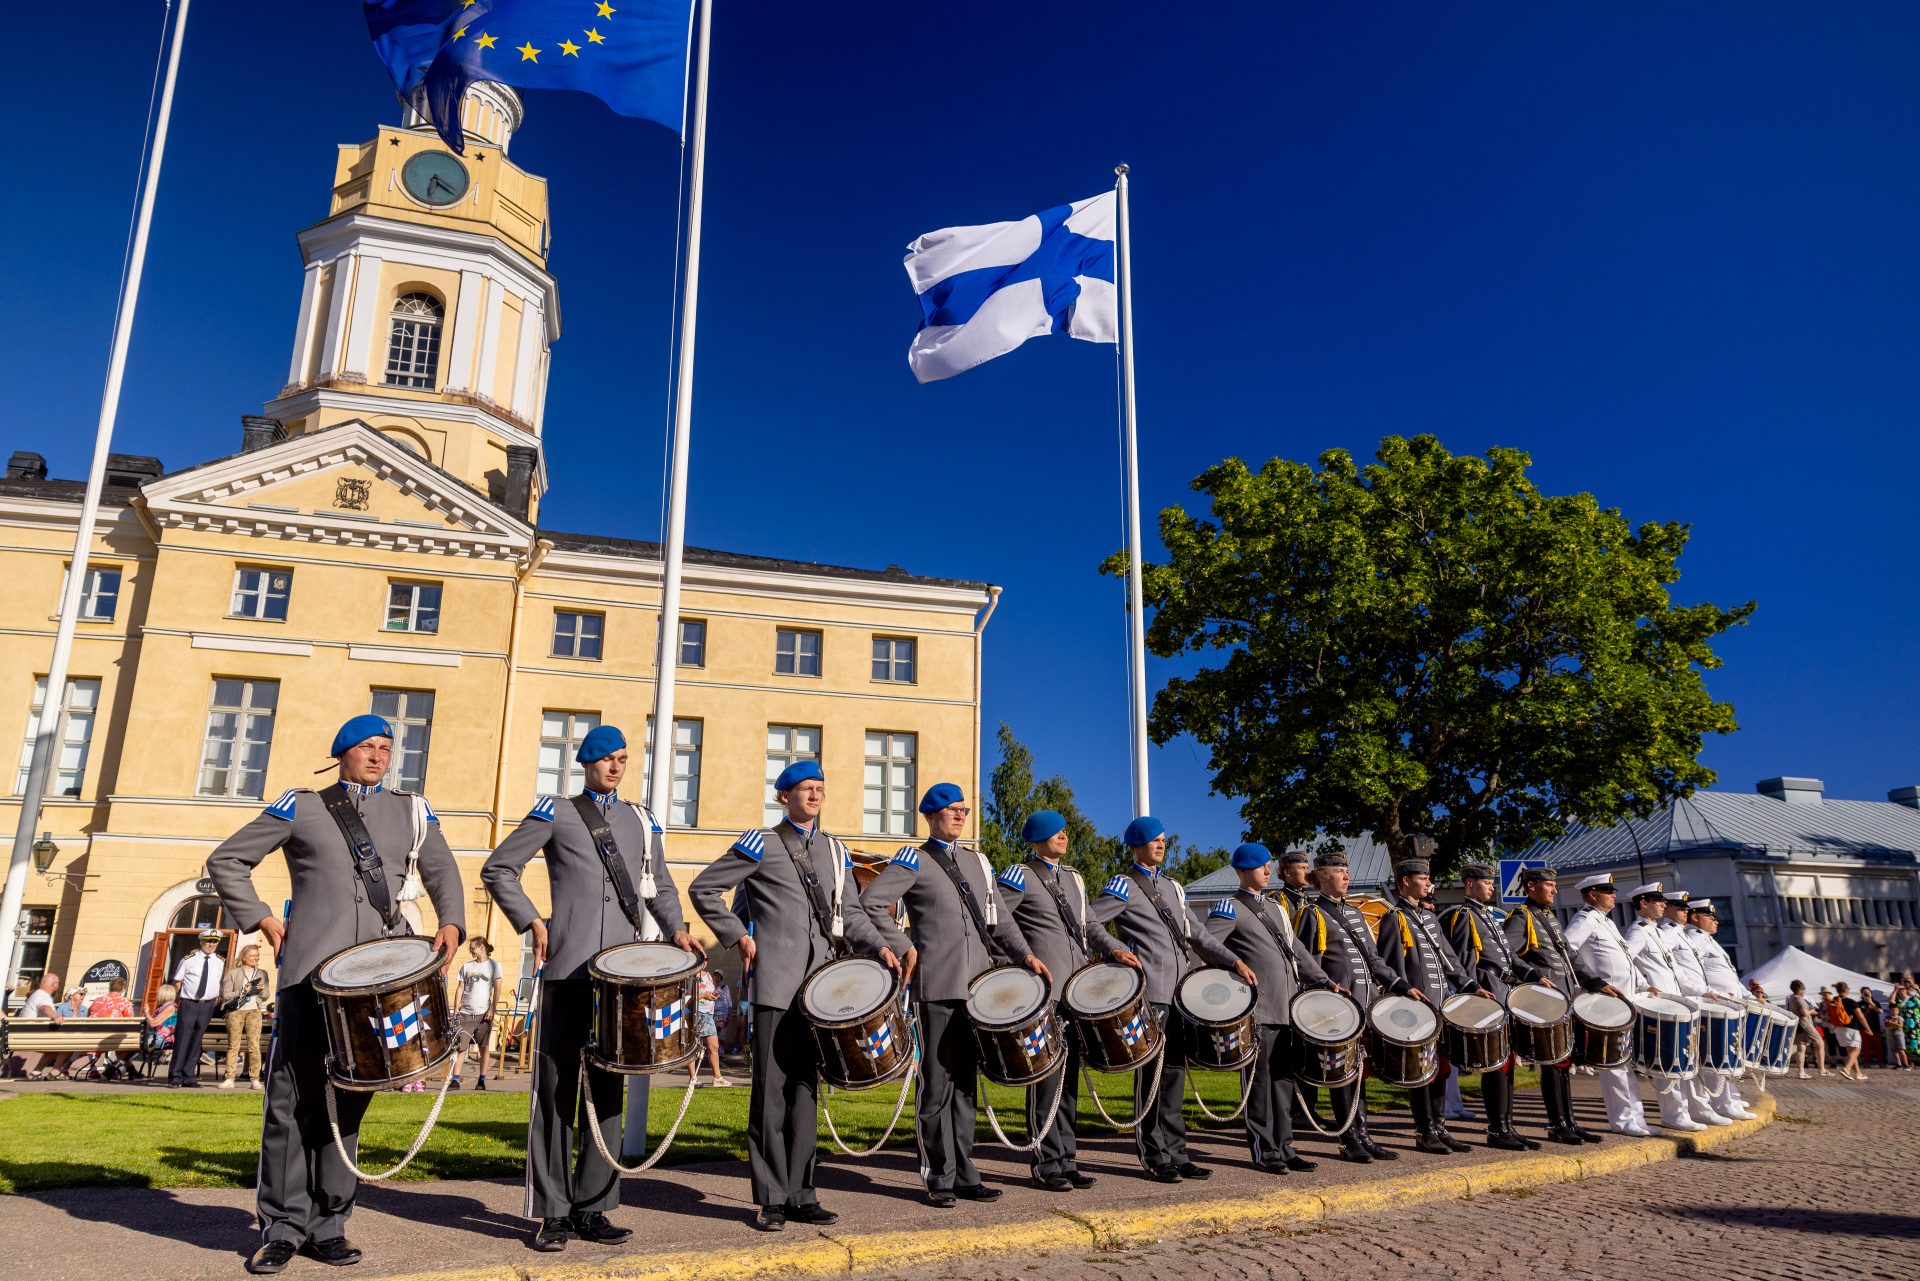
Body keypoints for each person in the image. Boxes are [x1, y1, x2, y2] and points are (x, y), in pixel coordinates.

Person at [209, 712, 465, 1275]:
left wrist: (451, 920)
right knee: (291, 1100)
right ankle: (281, 1225)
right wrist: (262, 920)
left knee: (350, 1101)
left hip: (376, 982)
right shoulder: (301, 804)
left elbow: (442, 868)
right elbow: (227, 860)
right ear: (342, 752)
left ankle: (329, 1224)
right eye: (366, 747)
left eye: (386, 748)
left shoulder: (412, 810)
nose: (378, 756)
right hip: (307, 974)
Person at [483, 724, 698, 1252]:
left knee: (608, 1089)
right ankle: (552, 1212)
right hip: (566, 969)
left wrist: (677, 927)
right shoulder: (554, 811)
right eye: (607, 759)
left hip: (619, 978)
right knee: (555, 1092)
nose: (617, 767)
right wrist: (533, 922)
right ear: (586, 763)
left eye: (623, 759)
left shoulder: (641, 820)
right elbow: (499, 868)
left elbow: (660, 885)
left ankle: (594, 1207)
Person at [690, 759, 900, 1229]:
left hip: (820, 993)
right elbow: (705, 889)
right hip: (775, 988)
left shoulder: (834, 850)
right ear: (784, 796)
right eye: (805, 788)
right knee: (771, 1095)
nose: (814, 795)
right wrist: (738, 936)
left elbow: (851, 913)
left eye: (820, 788)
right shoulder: (760, 843)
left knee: (807, 1093)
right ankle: (771, 1198)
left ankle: (804, 1193)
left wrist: (882, 946)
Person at [861, 783, 1045, 1206]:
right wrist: (904, 945)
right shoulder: (915, 859)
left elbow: (999, 922)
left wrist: (1026, 955)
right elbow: (871, 903)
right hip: (937, 987)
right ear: (931, 815)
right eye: (952, 810)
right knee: (937, 1084)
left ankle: (965, 1172)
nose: (961, 816)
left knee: (966, 1085)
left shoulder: (978, 861)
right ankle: (937, 1176)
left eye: (964, 809)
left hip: (977, 990)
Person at [1089, 815, 1255, 1183]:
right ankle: (1153, 1154)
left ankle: (1178, 1152)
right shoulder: (1124, 884)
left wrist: (1234, 960)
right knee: (1152, 1077)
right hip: (1151, 996)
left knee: (1176, 1075)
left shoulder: (1175, 888)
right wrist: (1115, 949)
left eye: (1164, 840)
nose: (1161, 845)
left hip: (1181, 995)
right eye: (1154, 840)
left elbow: (1199, 936)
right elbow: (1091, 922)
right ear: (1136, 846)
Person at [995, 809, 1140, 1190]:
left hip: (1075, 995)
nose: (1063, 836)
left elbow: (1089, 925)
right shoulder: (1019, 876)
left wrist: (1113, 949)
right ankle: (1045, 1163)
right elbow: (995, 921)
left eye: (1064, 831)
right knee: (1044, 1079)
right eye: (1056, 831)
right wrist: (1022, 958)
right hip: (1044, 995)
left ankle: (1067, 1158)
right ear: (1038, 836)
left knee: (1068, 1080)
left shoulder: (1074, 878)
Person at [1203, 842, 1329, 1174]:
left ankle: (1285, 1147)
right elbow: (1207, 943)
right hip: (1257, 1011)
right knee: (1259, 1084)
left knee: (1283, 1082)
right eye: (1260, 865)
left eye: (1268, 865)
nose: (1267, 870)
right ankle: (1264, 1149)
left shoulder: (1276, 908)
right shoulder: (1229, 906)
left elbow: (1296, 950)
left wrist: (1324, 980)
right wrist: (1235, 964)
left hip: (1286, 1008)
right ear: (1243, 871)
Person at [1295, 850, 1414, 1162]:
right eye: (1339, 871)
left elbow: (1374, 961)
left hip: (1365, 1006)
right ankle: (1349, 1139)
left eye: (1347, 872)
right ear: (1321, 876)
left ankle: (1364, 1134)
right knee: (1342, 1075)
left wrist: (1401, 985)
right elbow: (1307, 965)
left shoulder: (1357, 914)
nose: (1346, 877)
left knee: (1360, 1073)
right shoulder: (1312, 914)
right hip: (1336, 1009)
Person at [1376, 851, 1491, 1155]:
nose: (1428, 882)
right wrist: (1403, 999)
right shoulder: (1394, 918)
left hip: (1443, 1006)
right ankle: (1424, 1131)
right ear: (1405, 881)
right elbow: (1392, 966)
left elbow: (1450, 961)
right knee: (1421, 1071)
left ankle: (1440, 1127)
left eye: (1428, 877)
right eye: (1423, 877)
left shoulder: (1428, 917)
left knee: (1441, 1068)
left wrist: (1471, 986)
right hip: (1417, 1010)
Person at [1442, 863, 1550, 1150]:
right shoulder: (1464, 916)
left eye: (1492, 882)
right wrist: (1474, 992)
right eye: (1486, 882)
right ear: (1469, 883)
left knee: (1506, 1064)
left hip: (1505, 994)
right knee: (1494, 1064)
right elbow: (1464, 962)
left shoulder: (1488, 917)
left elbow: (1510, 958)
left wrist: (1534, 975)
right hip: (1489, 996)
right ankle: (1497, 1129)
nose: (1492, 886)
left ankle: (1508, 1125)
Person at [1515, 870, 1627, 1140]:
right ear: (1531, 886)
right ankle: (1557, 1125)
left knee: (1563, 1062)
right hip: (1546, 1000)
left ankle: (1569, 1122)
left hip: (1563, 998)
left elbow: (1571, 957)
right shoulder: (1522, 916)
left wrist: (1596, 982)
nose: (1554, 891)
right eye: (1549, 885)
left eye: (1554, 885)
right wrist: (1532, 975)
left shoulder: (1549, 918)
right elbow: (1506, 954)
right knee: (1552, 1062)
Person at [1622, 883, 1715, 1129]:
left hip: (1674, 1004)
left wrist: (1703, 991)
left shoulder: (1657, 933)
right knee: (1666, 1063)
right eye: (1658, 900)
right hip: (1659, 1008)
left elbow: (1676, 972)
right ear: (1643, 903)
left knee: (1682, 1061)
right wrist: (1643, 987)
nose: (1664, 904)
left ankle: (1687, 1112)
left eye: (1664, 901)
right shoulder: (1638, 931)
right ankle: (1674, 1115)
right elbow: (1624, 961)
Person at [1677, 901, 1756, 1119]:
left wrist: (1748, 996)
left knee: (1729, 1056)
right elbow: (1695, 975)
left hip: (1728, 1006)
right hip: (1713, 1006)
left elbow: (1728, 974)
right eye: (1710, 917)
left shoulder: (1709, 941)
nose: (1715, 921)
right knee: (1716, 1057)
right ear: (1695, 917)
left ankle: (1731, 1098)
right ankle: (1722, 1102)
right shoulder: (1694, 940)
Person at [168, 931, 227, 1088]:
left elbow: (219, 982)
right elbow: (178, 981)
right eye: (208, 942)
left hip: (207, 1004)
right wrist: (179, 999)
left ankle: (189, 1076)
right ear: (201, 942)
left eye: (215, 942)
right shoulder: (189, 960)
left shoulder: (220, 962)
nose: (211, 945)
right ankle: (175, 1075)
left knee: (196, 1041)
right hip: (189, 1002)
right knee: (183, 1039)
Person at [451, 938, 501, 1090]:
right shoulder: (467, 966)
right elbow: (460, 988)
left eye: (473, 948)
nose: (470, 951)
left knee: (483, 1047)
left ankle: (481, 1080)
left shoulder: (494, 966)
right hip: (466, 1013)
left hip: (483, 1013)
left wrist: (492, 1008)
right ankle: (455, 1080)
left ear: (481, 947)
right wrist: (456, 1009)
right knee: (461, 1047)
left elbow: (498, 988)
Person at [220, 944, 270, 1090]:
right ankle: (230, 1077)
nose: (256, 958)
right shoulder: (233, 973)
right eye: (253, 955)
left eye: (257, 955)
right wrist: (243, 990)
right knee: (233, 1045)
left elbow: (266, 995)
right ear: (244, 957)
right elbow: (226, 995)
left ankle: (254, 1078)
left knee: (254, 1045)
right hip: (236, 1012)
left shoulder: (262, 973)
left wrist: (260, 991)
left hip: (254, 1011)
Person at [694, 966, 730, 1088]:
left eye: (706, 959)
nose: (704, 962)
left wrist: (712, 995)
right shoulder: (691, 976)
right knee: (693, 1048)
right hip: (696, 1013)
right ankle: (693, 1078)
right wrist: (703, 996)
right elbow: (686, 997)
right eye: (702, 958)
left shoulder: (708, 976)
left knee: (714, 1046)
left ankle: (717, 1078)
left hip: (709, 1014)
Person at [1786, 979, 1827, 1078]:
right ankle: (1822, 1069)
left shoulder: (1790, 998)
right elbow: (1805, 1013)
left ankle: (1801, 1072)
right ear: (1800, 989)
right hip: (1806, 1024)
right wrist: (1813, 1010)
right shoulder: (1800, 999)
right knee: (1820, 1043)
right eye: (1804, 989)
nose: (1804, 991)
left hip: (1797, 1025)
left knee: (1801, 1048)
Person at [1829, 982, 1865, 1081]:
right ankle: (1847, 1069)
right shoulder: (1851, 1002)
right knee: (1856, 1050)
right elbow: (1860, 1017)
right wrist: (1867, 1028)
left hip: (1839, 1029)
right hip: (1852, 1028)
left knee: (1852, 1053)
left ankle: (1858, 1073)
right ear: (1846, 990)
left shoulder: (1834, 1000)